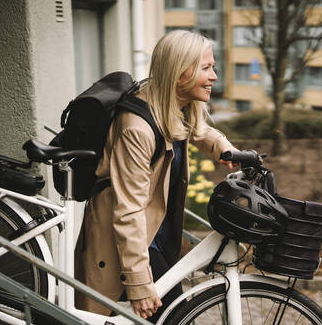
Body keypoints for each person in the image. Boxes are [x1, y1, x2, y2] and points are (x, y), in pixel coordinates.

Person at [74, 30, 237, 321]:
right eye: (206, 68)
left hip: (152, 232)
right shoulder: (137, 127)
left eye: (213, 67)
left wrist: (224, 149)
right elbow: (128, 210)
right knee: (175, 315)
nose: (214, 76)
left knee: (173, 314)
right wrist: (138, 283)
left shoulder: (171, 105)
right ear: (178, 73)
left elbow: (196, 129)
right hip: (128, 239)